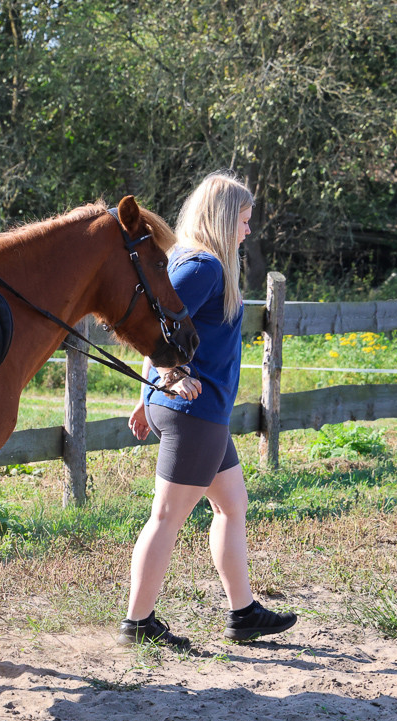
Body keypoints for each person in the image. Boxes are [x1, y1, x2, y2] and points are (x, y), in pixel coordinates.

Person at [117, 171, 297, 649]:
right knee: (167, 518)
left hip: (198, 412)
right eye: (243, 220)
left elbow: (164, 323)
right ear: (223, 218)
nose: (248, 230)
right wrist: (167, 379)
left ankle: (243, 613)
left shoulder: (197, 262)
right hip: (191, 412)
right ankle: (137, 624)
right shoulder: (204, 267)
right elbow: (149, 324)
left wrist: (145, 394)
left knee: (232, 505)